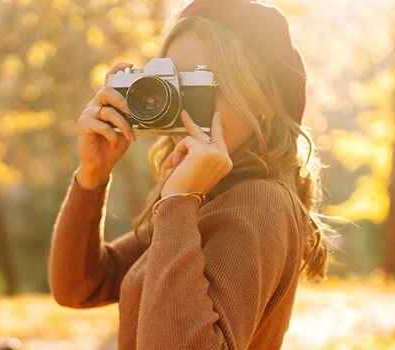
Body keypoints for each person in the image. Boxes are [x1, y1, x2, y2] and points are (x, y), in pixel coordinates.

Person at [48, 0, 334, 348]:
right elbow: (80, 286)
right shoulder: (204, 196)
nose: (184, 108)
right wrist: (93, 173)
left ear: (263, 100)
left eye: (204, 84)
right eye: (175, 86)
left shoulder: (257, 202)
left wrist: (178, 202)